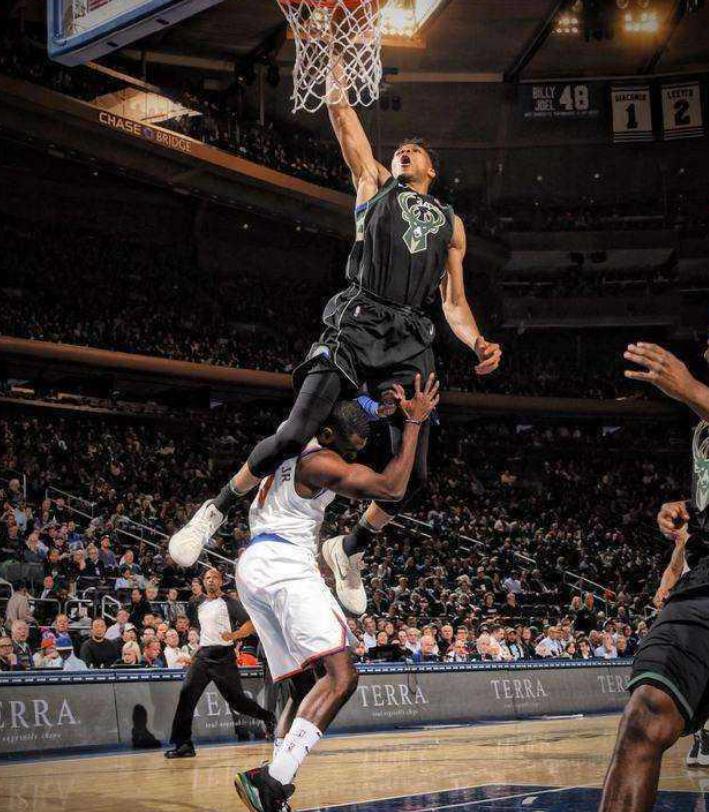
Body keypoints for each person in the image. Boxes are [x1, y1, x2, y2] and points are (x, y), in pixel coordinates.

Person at [168, 57, 502, 619]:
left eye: (415, 151)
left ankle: (349, 550)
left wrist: (477, 343)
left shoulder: (452, 222)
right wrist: (336, 67)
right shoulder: (374, 182)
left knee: (414, 478)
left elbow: (453, 301)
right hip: (358, 317)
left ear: (432, 169)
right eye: (400, 149)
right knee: (296, 432)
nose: (404, 153)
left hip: (410, 336)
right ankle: (215, 511)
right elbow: (344, 118)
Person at [233, 379, 438, 812]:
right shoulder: (319, 462)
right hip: (286, 564)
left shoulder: (290, 440)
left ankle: (274, 782)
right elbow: (393, 488)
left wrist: (382, 409)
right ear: (328, 436)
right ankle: (272, 781)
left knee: (302, 686)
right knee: (343, 676)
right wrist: (415, 423)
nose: (352, 457)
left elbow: (347, 409)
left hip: (254, 563)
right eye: (349, 448)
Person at [599, 340, 709, 811]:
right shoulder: (702, 426)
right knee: (645, 714)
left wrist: (692, 390)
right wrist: (688, 512)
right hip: (703, 581)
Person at [165, 569, 276, 759]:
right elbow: (205, 632)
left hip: (224, 657)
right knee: (186, 695)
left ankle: (268, 717)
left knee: (237, 701)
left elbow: (249, 624)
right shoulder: (198, 604)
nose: (210, 581)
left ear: (221, 581)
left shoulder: (229, 602)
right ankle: (183, 744)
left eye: (214, 578)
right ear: (203, 582)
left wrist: (234, 635)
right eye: (207, 578)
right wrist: (195, 653)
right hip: (203, 656)